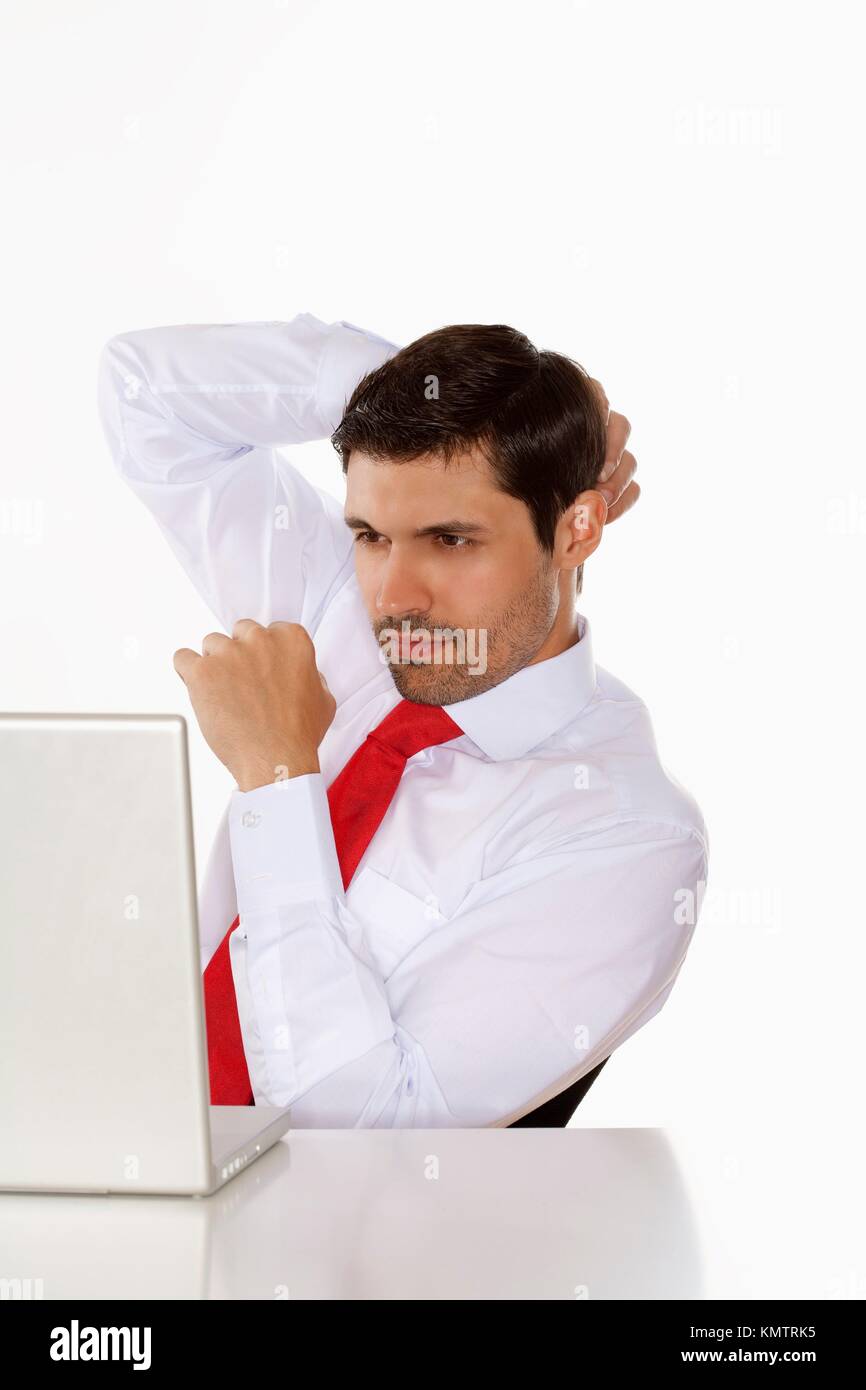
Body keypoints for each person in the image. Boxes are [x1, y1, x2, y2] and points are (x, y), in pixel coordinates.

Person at [97, 313, 707, 1127]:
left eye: (450, 538)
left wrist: (279, 777)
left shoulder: (626, 837)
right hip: (115, 1154)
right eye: (371, 534)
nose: (393, 598)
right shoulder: (339, 605)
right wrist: (407, 390)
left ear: (578, 528)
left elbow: (363, 1130)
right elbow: (142, 392)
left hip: (312, 1245)